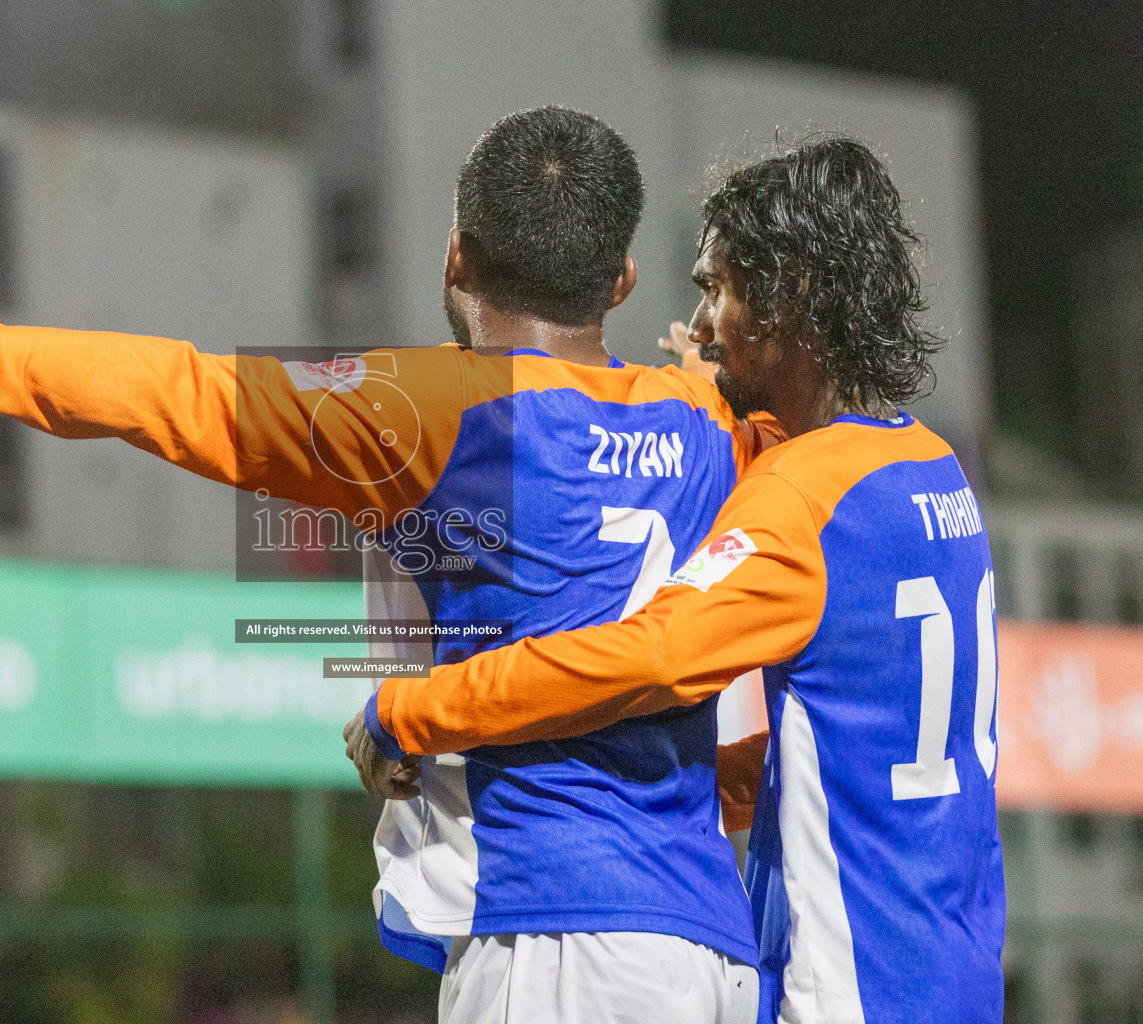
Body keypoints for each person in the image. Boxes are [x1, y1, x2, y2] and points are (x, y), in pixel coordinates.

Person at [0, 107, 774, 1024]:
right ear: (623, 281)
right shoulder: (705, 417)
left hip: (560, 938)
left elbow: (163, 388)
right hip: (714, 946)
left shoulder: (437, 412)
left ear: (456, 256)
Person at [348, 135, 1005, 1024]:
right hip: (955, 967)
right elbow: (858, 751)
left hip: (848, 982)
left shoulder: (801, 493)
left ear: (791, 294)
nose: (696, 327)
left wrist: (414, 710)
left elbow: (649, 656)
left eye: (716, 288)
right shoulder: (930, 473)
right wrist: (701, 777)